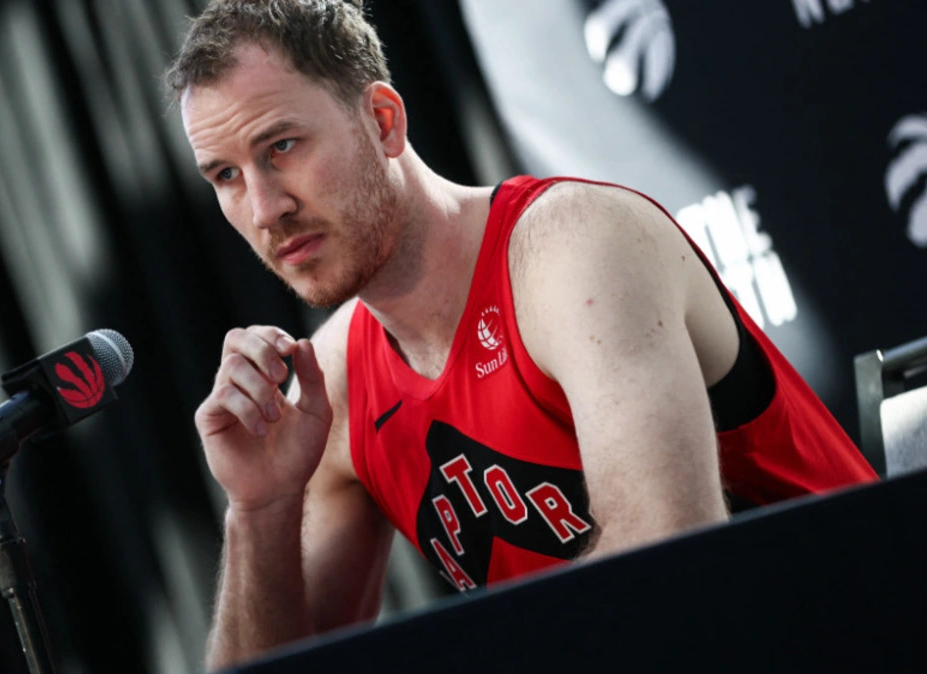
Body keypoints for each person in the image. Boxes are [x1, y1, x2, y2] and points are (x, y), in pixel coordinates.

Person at [165, 0, 877, 668]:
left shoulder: (571, 247)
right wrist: (259, 511)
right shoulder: (333, 387)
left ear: (382, 122)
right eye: (226, 175)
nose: (264, 208)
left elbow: (669, 562)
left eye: (282, 146)